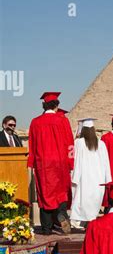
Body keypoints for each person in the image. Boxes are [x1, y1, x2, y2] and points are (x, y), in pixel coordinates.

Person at [27, 92, 74, 235]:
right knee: (61, 192)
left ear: (44, 105)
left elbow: (32, 145)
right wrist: (70, 162)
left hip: (43, 165)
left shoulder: (35, 122)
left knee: (45, 194)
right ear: (56, 106)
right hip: (60, 163)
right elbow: (70, 144)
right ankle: (61, 215)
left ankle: (47, 228)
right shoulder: (62, 120)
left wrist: (32, 163)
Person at [70, 118, 111, 226]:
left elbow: (74, 160)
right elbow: (106, 163)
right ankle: (90, 222)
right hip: (98, 179)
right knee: (93, 202)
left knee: (83, 201)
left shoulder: (78, 143)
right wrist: (108, 179)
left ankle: (85, 223)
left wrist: (74, 176)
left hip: (84, 178)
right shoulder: (101, 144)